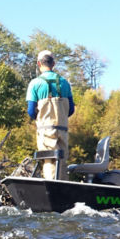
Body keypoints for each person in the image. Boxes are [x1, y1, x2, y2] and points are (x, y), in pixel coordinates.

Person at [26, 50, 75, 180]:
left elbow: (31, 111)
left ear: (38, 63)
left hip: (45, 131)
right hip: (63, 130)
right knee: (62, 162)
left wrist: (41, 118)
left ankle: (52, 192)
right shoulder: (64, 82)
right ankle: (64, 192)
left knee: (49, 161)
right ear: (53, 63)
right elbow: (71, 110)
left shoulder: (35, 83)